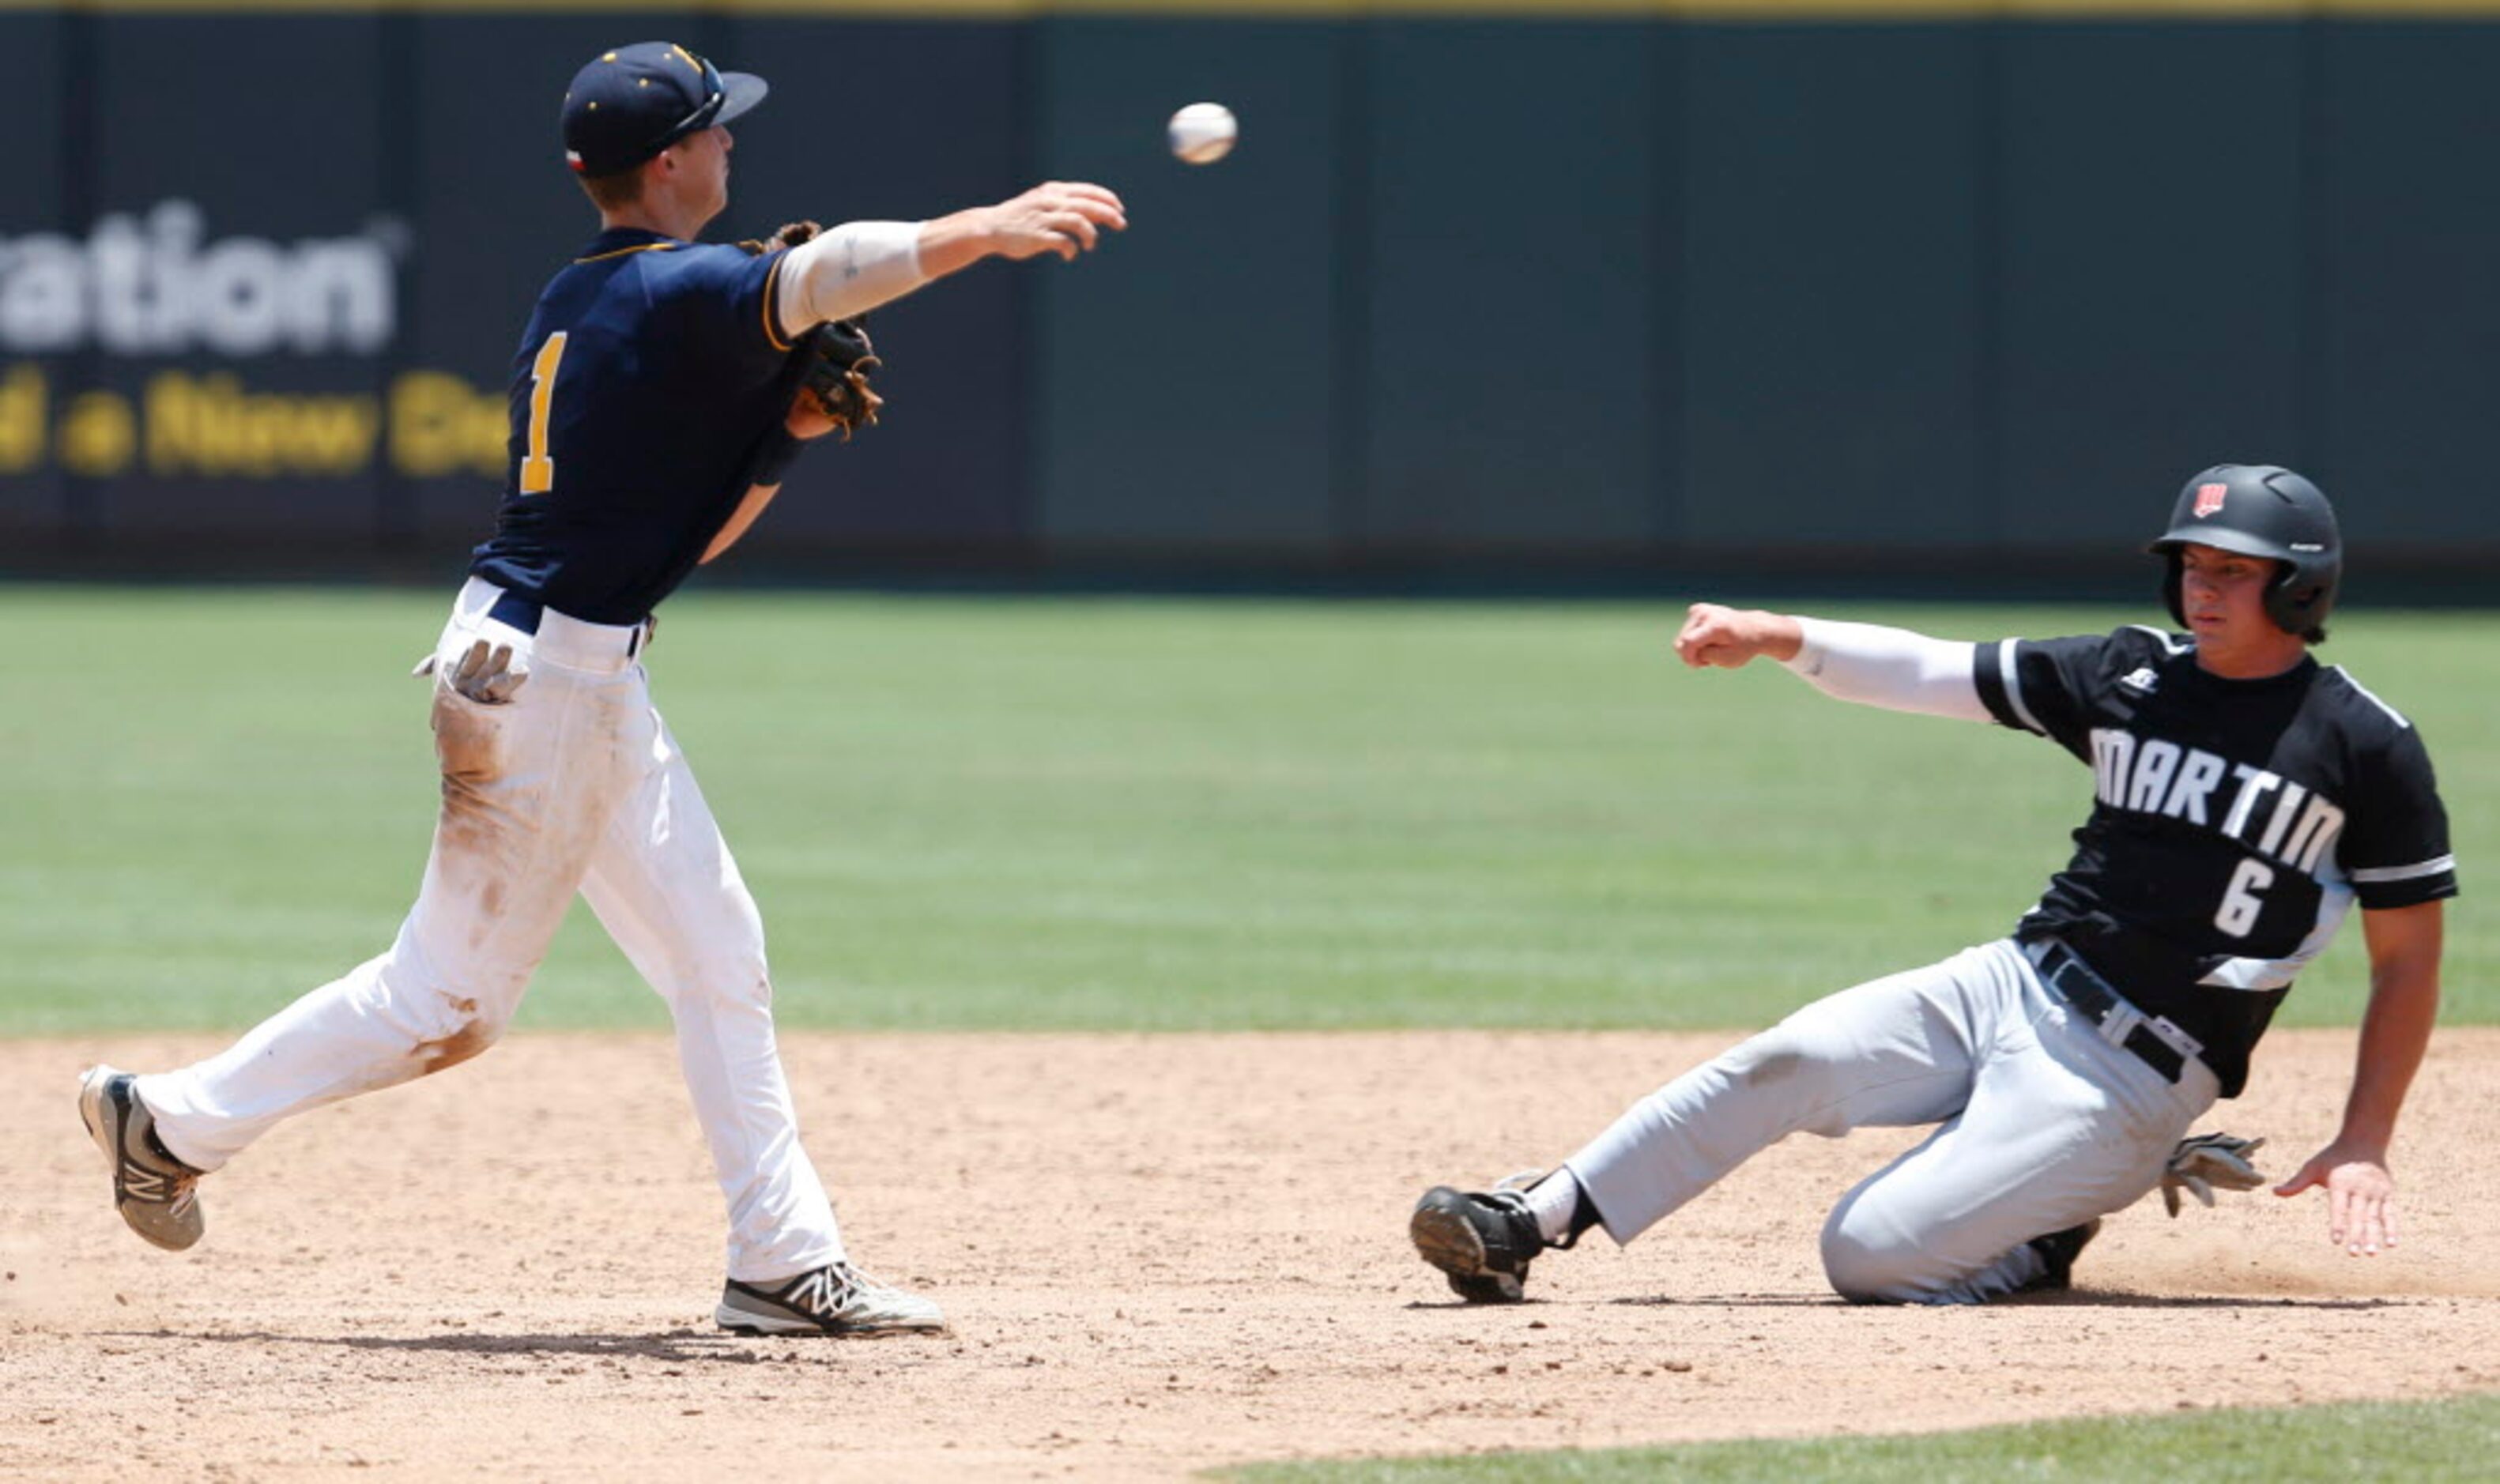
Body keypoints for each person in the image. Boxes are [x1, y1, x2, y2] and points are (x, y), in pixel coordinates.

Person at [76, 40, 1127, 1338]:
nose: (734, 146)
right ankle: (167, 1120)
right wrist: (987, 227)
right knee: (445, 1005)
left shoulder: (590, 296)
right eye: (718, 131)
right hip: (545, 682)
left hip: (580, 665)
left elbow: (681, 543)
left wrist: (781, 438)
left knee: (716, 950)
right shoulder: (687, 286)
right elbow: (835, 264)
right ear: (672, 161)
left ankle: (782, 1260)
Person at [1411, 465, 2455, 1305]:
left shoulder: (2366, 745)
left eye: (2235, 568)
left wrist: (2364, 1138)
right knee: (1793, 1054)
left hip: (2137, 1072)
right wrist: (1782, 637)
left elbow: (2406, 962)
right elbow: (1929, 669)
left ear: (2299, 586)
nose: (2202, 585)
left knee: (1866, 1254)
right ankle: (1531, 1218)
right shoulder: (2132, 673)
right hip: (2012, 978)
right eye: (2192, 561)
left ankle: (2048, 1226)